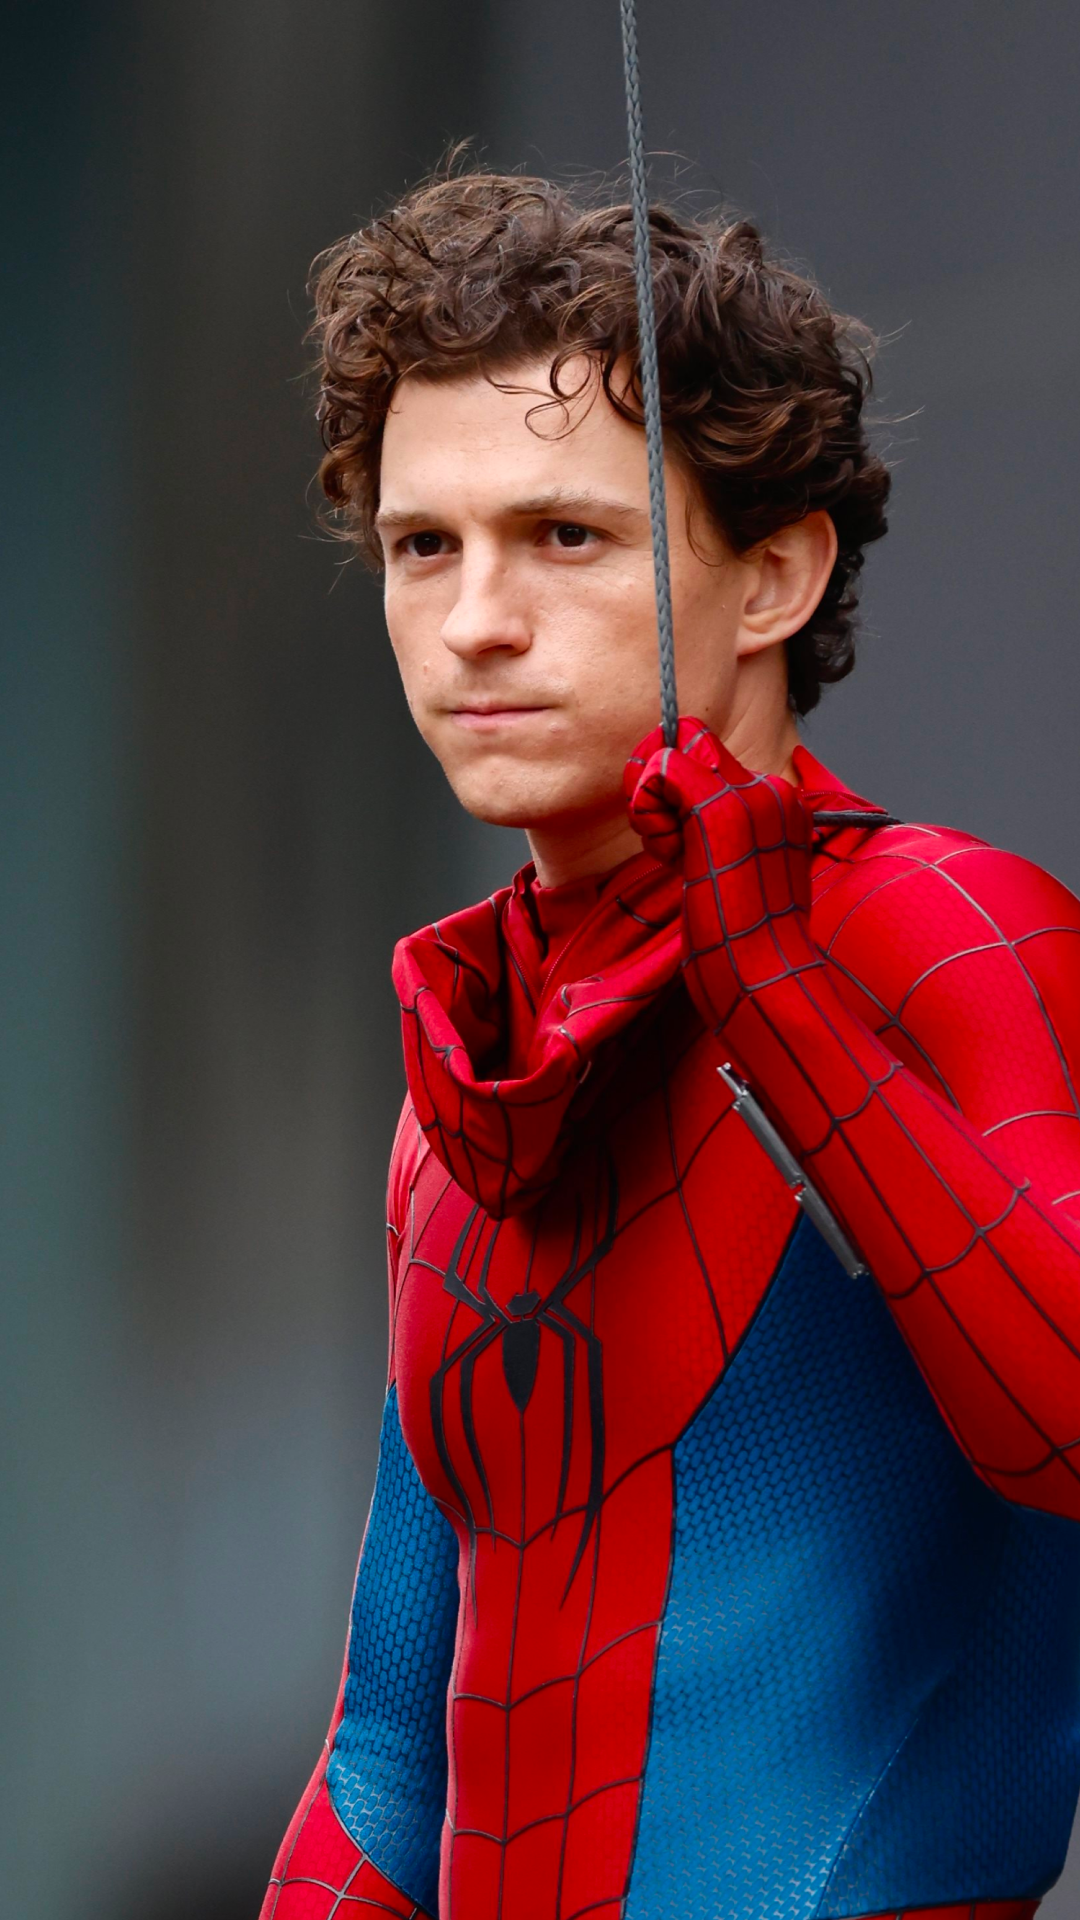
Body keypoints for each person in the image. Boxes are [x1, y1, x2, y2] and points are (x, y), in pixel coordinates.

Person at [260, 170, 1080, 1920]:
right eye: (423, 546)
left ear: (774, 572)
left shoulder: (941, 933)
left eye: (565, 535)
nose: (475, 620)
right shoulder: (473, 1071)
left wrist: (775, 990)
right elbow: (390, 1752)